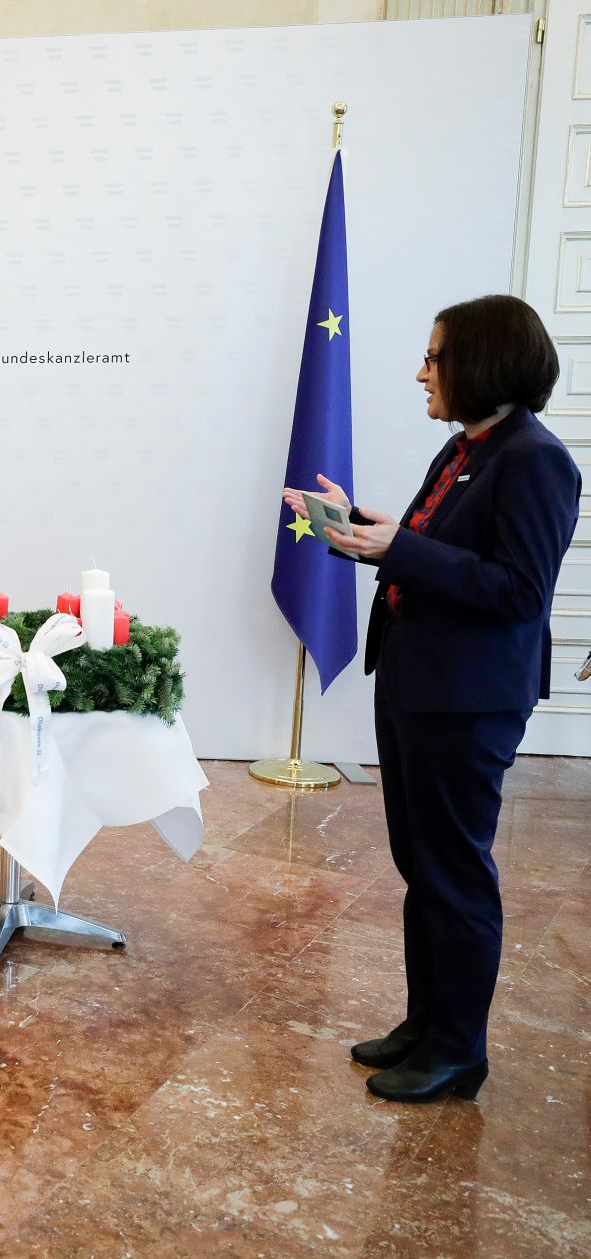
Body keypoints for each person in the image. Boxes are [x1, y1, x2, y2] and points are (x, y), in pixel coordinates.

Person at [284, 294, 580, 1103]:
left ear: (480, 362)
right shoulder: (465, 449)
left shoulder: (536, 459)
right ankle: (425, 1024)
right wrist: (360, 531)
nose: (422, 371)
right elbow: (433, 554)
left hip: (468, 698)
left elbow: (519, 590)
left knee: (455, 872)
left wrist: (402, 546)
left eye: (434, 356)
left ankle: (458, 1050)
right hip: (418, 683)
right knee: (423, 866)